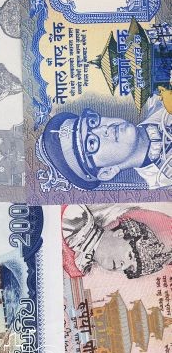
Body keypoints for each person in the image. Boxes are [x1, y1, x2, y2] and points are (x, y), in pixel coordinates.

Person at [39, 96, 172, 190]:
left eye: (92, 122)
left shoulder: (159, 99)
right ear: (107, 172)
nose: (103, 129)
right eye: (91, 143)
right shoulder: (165, 185)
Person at [62, 203, 172, 276]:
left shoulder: (80, 269)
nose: (123, 266)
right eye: (130, 255)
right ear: (119, 234)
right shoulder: (76, 219)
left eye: (129, 268)